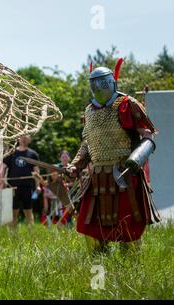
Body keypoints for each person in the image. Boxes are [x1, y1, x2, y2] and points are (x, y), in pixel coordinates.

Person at [67, 61, 159, 254]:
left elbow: (148, 136)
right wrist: (75, 165)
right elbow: (87, 143)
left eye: (102, 82)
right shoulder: (89, 110)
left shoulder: (127, 104)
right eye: (95, 83)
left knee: (128, 226)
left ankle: (130, 271)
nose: (99, 87)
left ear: (111, 82)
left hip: (124, 175)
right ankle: (101, 265)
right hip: (98, 177)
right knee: (91, 230)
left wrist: (136, 159)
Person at [2, 135, 40, 226]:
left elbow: (36, 170)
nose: (24, 140)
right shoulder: (12, 153)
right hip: (13, 187)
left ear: (29, 140)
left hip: (27, 186)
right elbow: (3, 167)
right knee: (13, 211)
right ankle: (13, 235)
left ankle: (31, 234)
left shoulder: (32, 154)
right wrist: (2, 180)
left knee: (28, 210)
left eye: (26, 138)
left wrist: (38, 185)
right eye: (22, 138)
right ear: (18, 139)